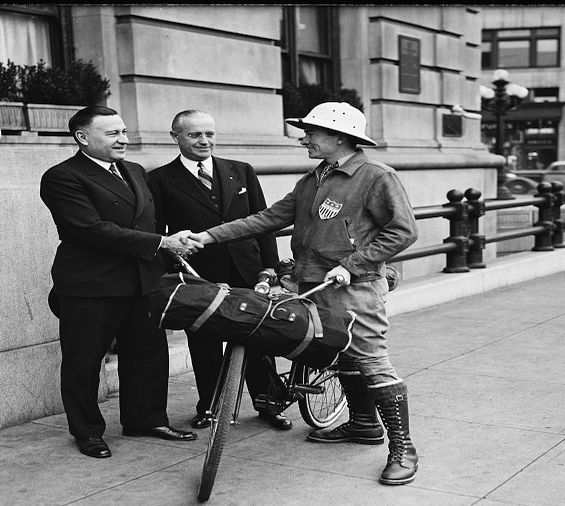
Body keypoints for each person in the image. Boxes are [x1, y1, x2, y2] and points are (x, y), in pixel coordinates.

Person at [188, 102, 420, 485]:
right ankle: (363, 425)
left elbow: (403, 231)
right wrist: (208, 237)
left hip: (353, 288)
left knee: (372, 361)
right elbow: (269, 218)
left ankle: (404, 449)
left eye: (312, 132)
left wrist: (354, 264)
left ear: (339, 137)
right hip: (310, 282)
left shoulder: (376, 176)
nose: (304, 138)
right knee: (337, 351)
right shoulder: (316, 177)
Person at [40, 105, 202, 459]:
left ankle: (146, 419)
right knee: (83, 362)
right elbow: (90, 229)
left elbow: (146, 223)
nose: (124, 139)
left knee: (148, 354)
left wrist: (169, 250)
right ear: (83, 138)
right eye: (113, 134)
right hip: (90, 286)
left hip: (142, 281)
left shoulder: (135, 170)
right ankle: (87, 431)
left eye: (124, 131)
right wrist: (160, 243)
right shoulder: (62, 177)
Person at [149, 110, 290, 431]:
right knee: (204, 344)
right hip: (198, 276)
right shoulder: (159, 180)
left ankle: (269, 404)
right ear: (176, 137)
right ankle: (210, 407)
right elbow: (161, 234)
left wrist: (270, 268)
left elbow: (265, 224)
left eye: (209, 134)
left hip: (249, 271)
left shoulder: (241, 171)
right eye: (195, 135)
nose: (204, 141)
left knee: (259, 338)